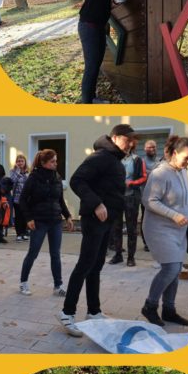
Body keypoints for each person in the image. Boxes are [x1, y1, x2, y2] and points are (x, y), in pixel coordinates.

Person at [59, 124, 133, 336]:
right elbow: (76, 180)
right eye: (128, 140)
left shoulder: (115, 159)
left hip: (107, 221)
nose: (131, 145)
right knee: (85, 264)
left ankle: (93, 311)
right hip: (94, 219)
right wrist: (97, 203)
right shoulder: (100, 156)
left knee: (96, 265)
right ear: (116, 138)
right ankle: (67, 313)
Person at [141, 136, 188, 327]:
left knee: (175, 269)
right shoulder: (160, 173)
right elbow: (149, 201)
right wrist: (174, 215)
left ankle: (169, 310)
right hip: (158, 229)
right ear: (174, 153)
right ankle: (150, 306)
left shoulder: (181, 171)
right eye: (187, 157)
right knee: (171, 268)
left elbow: (181, 197)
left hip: (178, 230)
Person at [78, 0, 134, 103]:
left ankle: (91, 97)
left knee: (96, 64)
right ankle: (87, 102)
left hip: (98, 26)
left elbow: (103, 2)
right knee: (91, 66)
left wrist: (115, 2)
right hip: (89, 26)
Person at [18, 150, 74, 296]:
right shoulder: (33, 178)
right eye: (52, 161)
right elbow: (22, 200)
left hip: (55, 221)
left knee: (55, 254)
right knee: (33, 253)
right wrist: (28, 218)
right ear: (43, 163)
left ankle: (58, 286)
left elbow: (60, 200)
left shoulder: (57, 177)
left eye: (56, 161)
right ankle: (23, 282)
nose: (56, 164)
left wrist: (67, 216)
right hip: (39, 222)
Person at [109, 136, 146, 266]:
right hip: (117, 197)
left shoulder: (137, 160)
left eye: (129, 144)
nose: (126, 146)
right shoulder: (114, 159)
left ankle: (131, 257)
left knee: (131, 228)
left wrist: (131, 182)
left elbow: (143, 177)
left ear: (132, 146)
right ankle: (118, 254)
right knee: (116, 227)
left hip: (131, 197)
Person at [140, 139, 161, 251]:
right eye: (149, 147)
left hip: (158, 197)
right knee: (146, 220)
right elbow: (141, 177)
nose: (152, 149)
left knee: (157, 220)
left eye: (154, 147)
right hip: (145, 196)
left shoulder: (159, 161)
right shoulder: (141, 162)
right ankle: (146, 242)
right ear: (145, 149)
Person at [10, 155, 30, 241]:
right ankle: (19, 234)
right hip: (17, 198)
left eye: (22, 161)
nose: (20, 163)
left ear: (25, 162)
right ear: (16, 162)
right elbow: (12, 181)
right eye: (18, 161)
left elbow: (29, 183)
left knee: (25, 216)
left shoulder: (28, 172)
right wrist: (18, 171)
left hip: (26, 198)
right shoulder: (13, 171)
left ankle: (24, 232)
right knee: (18, 216)